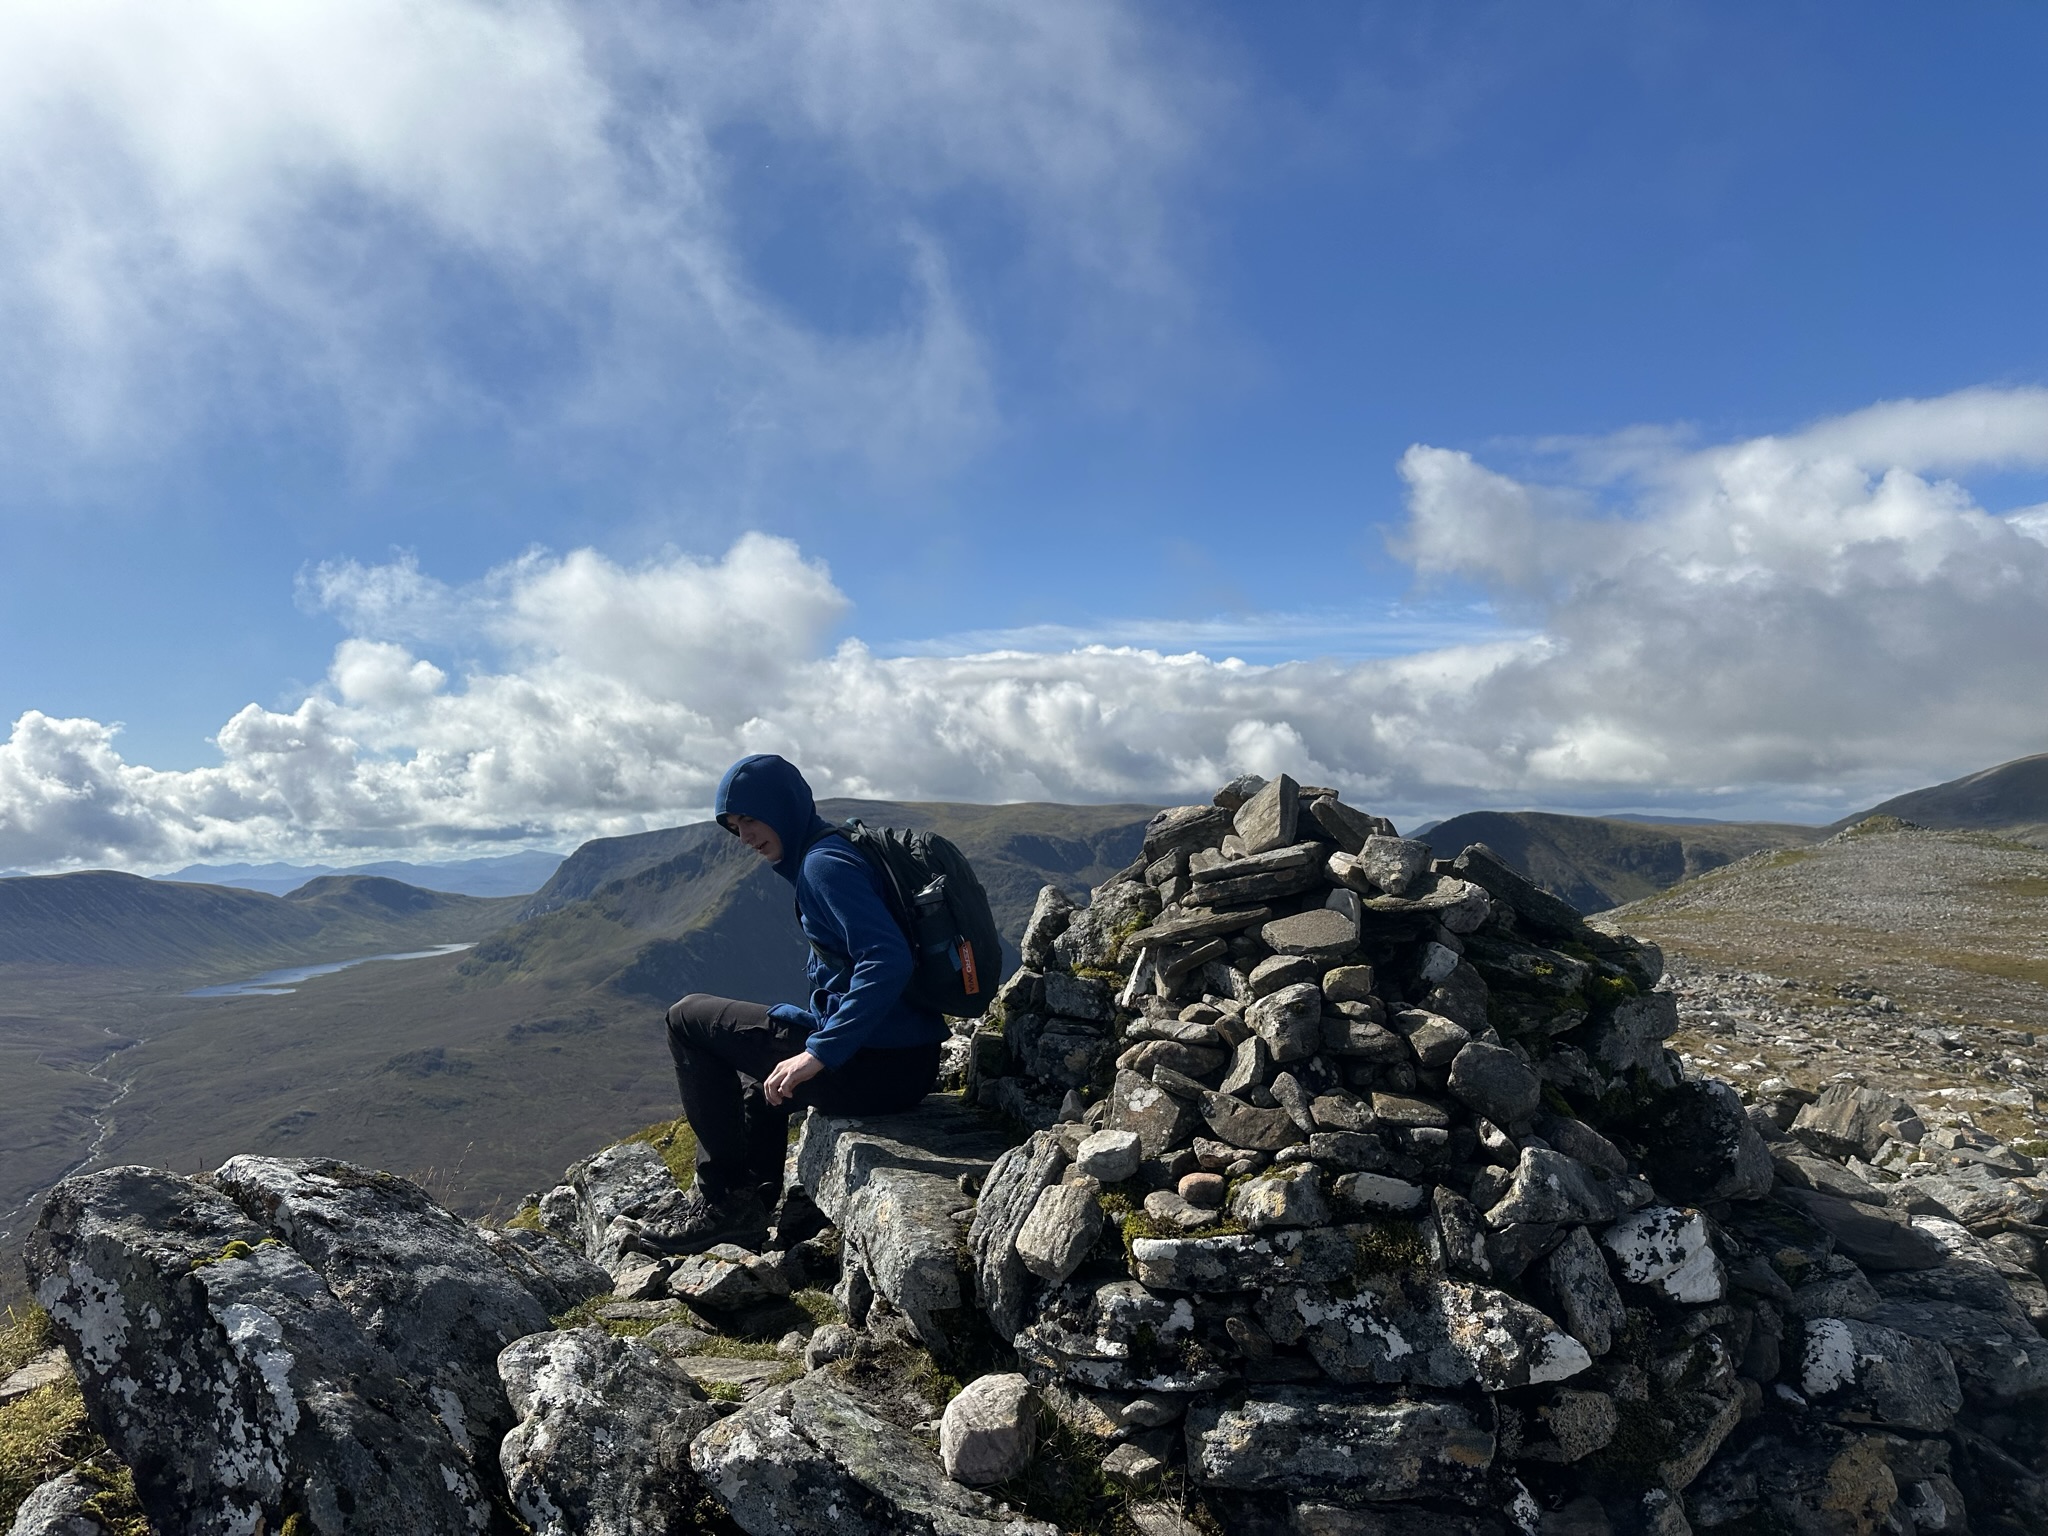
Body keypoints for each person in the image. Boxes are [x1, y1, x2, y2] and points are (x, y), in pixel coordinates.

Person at [652, 753, 948, 1254]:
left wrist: (819, 1052)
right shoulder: (836, 848)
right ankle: (756, 1205)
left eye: (749, 817)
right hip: (903, 1061)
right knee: (760, 1095)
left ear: (781, 806)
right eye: (732, 825)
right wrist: (810, 1030)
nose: (743, 836)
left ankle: (724, 1204)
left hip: (875, 1067)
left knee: (687, 1018)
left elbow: (887, 959)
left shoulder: (823, 864)